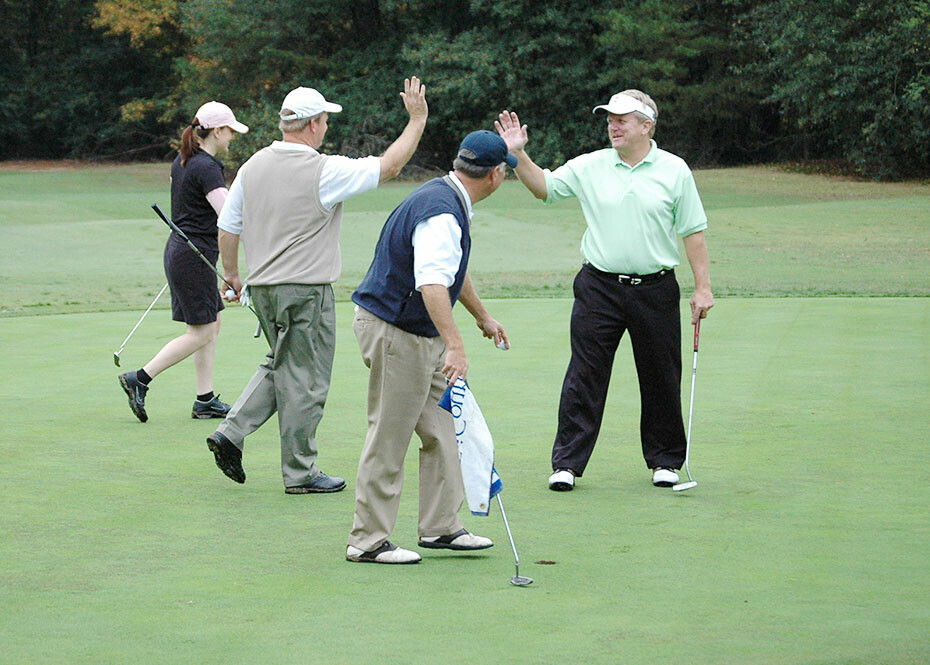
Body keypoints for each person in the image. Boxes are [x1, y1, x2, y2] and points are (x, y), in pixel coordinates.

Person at [206, 78, 429, 495]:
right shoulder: (324, 170)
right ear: (311, 125)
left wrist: (233, 275)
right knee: (306, 380)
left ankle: (231, 432)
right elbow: (390, 166)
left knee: (283, 365)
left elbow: (227, 228)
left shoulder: (252, 165)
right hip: (306, 290)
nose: (326, 128)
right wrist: (417, 120)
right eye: (325, 120)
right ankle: (300, 473)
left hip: (264, 290)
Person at [495, 89, 714, 491]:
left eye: (622, 119)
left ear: (646, 126)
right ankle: (567, 464)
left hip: (656, 288)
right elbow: (544, 187)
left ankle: (665, 461)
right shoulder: (591, 165)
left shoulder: (674, 170)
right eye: (609, 118)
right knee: (585, 373)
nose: (613, 125)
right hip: (600, 287)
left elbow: (692, 231)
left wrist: (703, 288)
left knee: (661, 375)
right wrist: (517, 154)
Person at [345, 130, 514, 564]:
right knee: (390, 433)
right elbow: (433, 284)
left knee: (441, 429)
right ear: (496, 175)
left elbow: (452, 269)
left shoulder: (447, 195)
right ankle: (366, 541)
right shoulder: (443, 212)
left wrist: (481, 315)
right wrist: (455, 347)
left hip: (411, 331)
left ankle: (441, 527)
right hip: (396, 332)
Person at [118, 101, 248, 423]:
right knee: (202, 332)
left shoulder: (184, 160)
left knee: (212, 322)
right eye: (230, 131)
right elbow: (230, 217)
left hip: (186, 252)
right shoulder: (207, 167)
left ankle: (204, 400)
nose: (232, 137)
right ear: (217, 131)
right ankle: (140, 378)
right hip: (192, 256)